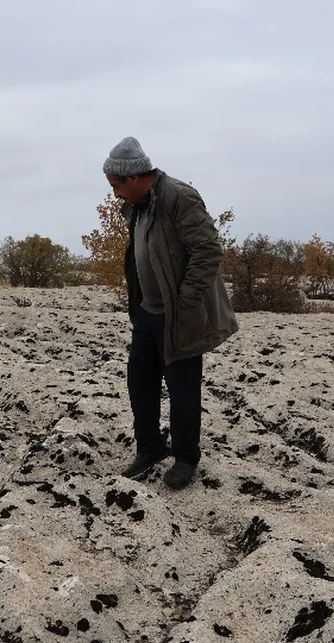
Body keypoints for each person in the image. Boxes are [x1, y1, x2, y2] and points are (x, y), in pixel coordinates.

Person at [104, 136, 239, 489]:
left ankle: (185, 458)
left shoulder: (179, 196)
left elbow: (208, 250)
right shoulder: (137, 206)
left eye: (116, 185)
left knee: (182, 390)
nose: (114, 193)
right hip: (148, 314)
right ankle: (149, 449)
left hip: (178, 315)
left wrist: (185, 301)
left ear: (133, 177)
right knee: (140, 383)